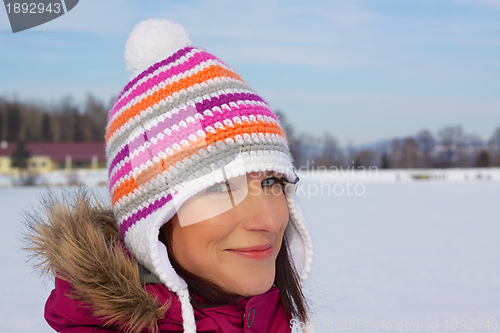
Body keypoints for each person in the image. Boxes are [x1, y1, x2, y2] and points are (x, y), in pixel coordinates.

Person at [26, 18, 313, 333]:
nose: (270, 221)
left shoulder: (268, 316)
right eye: (219, 186)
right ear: (151, 222)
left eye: (271, 182)